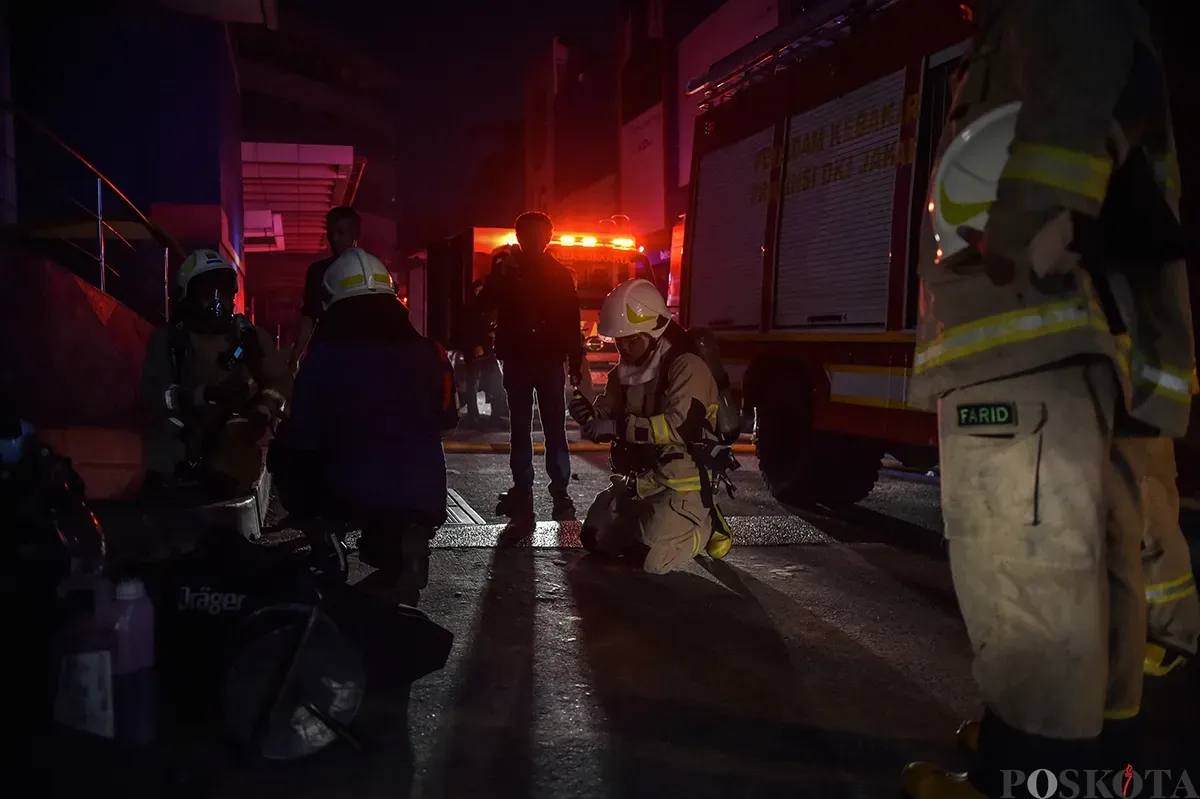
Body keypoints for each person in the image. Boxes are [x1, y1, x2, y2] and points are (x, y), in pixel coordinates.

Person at [904, 1, 1193, 795]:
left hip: (1021, 332)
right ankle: (1091, 762)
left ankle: (1033, 774)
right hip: (1084, 335)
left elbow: (1086, 76)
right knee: (1095, 567)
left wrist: (1027, 219)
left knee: (1027, 579)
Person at [270, 248, 458, 605]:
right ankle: (405, 542)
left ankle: (328, 545)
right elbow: (448, 419)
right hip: (423, 492)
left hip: (348, 491)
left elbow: (304, 436)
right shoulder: (430, 352)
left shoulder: (323, 359)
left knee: (287, 454)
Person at [569, 279, 732, 574]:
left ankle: (704, 524)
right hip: (643, 480)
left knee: (651, 560)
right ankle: (650, 525)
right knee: (594, 537)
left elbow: (677, 427)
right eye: (619, 341)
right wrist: (589, 416)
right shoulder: (627, 369)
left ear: (654, 330)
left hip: (681, 482)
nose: (625, 347)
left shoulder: (687, 367)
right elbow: (608, 409)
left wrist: (619, 428)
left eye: (632, 339)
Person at [141, 249, 290, 499]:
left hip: (232, 440)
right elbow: (154, 396)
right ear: (189, 297)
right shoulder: (169, 342)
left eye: (224, 292)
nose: (218, 302)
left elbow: (281, 382)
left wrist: (261, 410)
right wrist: (201, 397)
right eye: (209, 294)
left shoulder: (248, 339)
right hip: (182, 441)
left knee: (234, 460)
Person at [480, 212, 583, 521]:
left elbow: (571, 321)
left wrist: (575, 361)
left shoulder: (553, 274)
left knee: (542, 427)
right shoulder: (514, 272)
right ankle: (540, 489)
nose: (535, 240)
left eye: (539, 234)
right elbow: (483, 304)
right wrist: (499, 275)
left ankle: (543, 489)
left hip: (537, 359)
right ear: (520, 236)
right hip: (528, 359)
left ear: (548, 237)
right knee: (531, 427)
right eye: (529, 234)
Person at [288, 206, 361, 373]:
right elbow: (309, 317)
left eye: (341, 232)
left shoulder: (373, 270)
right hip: (329, 359)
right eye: (331, 232)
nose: (334, 239)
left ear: (355, 234)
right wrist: (295, 357)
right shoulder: (318, 271)